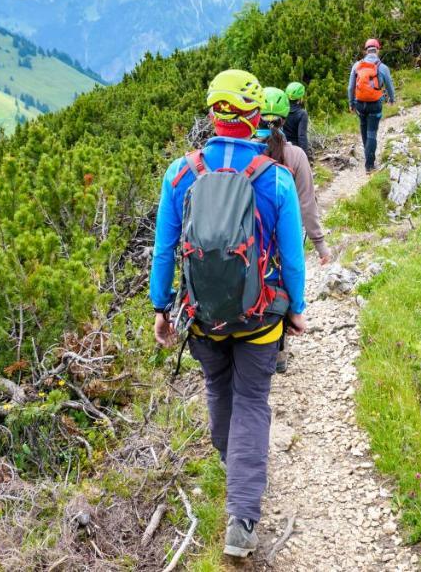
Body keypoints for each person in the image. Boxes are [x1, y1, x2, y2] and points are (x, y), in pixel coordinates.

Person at [150, 69, 307, 559]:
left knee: (218, 389)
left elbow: (164, 249)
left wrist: (161, 307)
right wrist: (296, 310)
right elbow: (293, 255)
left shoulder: (180, 173)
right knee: (253, 401)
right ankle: (241, 519)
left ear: (214, 114)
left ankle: (230, 458)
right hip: (262, 318)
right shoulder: (276, 178)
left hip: (204, 316)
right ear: (256, 118)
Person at [257, 86, 330, 374]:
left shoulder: (249, 151)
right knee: (284, 284)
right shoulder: (296, 156)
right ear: (285, 118)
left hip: (253, 237)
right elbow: (307, 205)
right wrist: (320, 244)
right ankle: (279, 350)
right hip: (285, 236)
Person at [348, 38, 395, 173]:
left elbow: (350, 87)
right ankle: (369, 165)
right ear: (377, 50)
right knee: (372, 133)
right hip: (374, 104)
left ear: (366, 50)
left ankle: (367, 154)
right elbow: (389, 85)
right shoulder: (382, 67)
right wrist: (392, 99)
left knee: (364, 128)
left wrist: (351, 103)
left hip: (359, 103)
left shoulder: (357, 65)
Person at [283, 81, 311, 155]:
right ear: (300, 98)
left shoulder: (282, 110)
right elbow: (302, 136)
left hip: (281, 147)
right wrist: (305, 155)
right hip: (295, 149)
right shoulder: (302, 113)